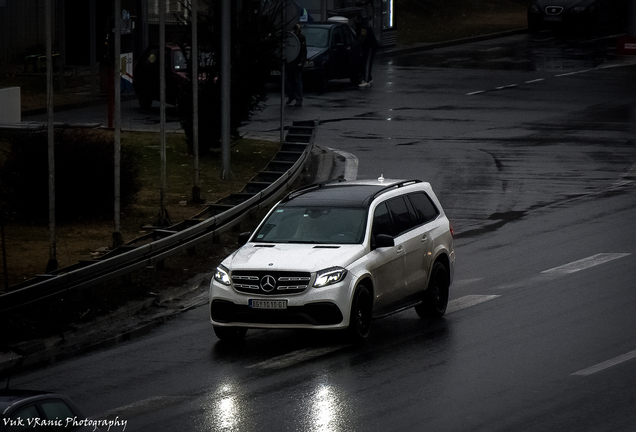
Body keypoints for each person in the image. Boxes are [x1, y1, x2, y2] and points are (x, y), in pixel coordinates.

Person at [285, 24, 307, 107]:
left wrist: (301, 61)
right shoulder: (288, 36)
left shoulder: (301, 37)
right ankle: (291, 95)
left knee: (297, 81)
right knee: (286, 80)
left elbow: (303, 51)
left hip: (296, 62)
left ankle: (299, 99)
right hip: (288, 62)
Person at [354, 14, 379, 88]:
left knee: (367, 62)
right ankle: (369, 78)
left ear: (359, 19)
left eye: (355, 20)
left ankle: (366, 80)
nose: (354, 22)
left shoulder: (364, 27)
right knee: (365, 62)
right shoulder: (363, 25)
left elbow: (361, 38)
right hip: (367, 46)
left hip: (370, 46)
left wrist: (353, 46)